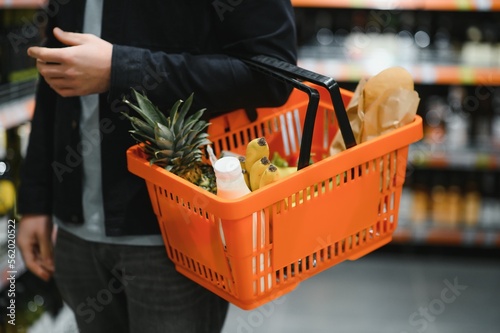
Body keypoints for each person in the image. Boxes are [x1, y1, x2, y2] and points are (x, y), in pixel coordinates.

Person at [16, 0, 297, 332]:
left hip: (177, 236)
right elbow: (53, 67)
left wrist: (122, 69)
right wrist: (34, 200)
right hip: (75, 234)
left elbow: (273, 74)